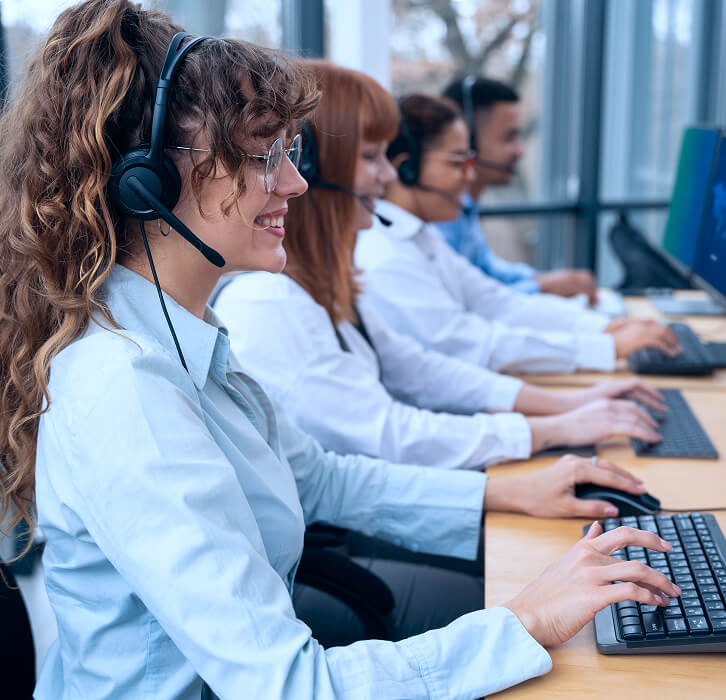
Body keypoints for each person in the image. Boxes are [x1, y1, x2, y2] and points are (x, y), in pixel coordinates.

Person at [0, 2, 680, 698]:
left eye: (288, 154)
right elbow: (292, 684)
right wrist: (527, 619)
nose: (295, 183)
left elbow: (321, 479)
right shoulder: (126, 391)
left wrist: (510, 491)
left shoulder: (182, 337)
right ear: (150, 183)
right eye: (263, 156)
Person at [214, 61, 665, 472]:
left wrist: (570, 405)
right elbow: (390, 431)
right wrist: (555, 426)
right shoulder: (274, 303)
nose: (389, 177)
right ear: (313, 171)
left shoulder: (324, 286)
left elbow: (418, 367)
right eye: (372, 158)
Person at [355, 94, 682, 375]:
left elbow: (499, 304)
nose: (469, 177)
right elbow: (469, 343)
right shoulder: (385, 256)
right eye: (457, 163)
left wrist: (604, 328)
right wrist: (604, 346)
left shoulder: (420, 236)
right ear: (406, 169)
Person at [439, 76, 598, 301]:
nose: (520, 151)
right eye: (509, 138)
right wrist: (541, 287)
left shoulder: (465, 207)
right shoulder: (439, 216)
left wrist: (543, 280)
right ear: (467, 140)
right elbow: (467, 301)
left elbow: (487, 272)